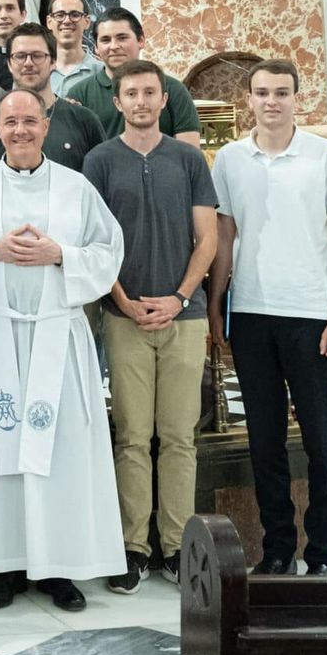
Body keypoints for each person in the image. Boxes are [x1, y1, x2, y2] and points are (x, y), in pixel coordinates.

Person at [0, 89, 125, 613]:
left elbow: (108, 251)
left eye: (30, 121)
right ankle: (3, 566)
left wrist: (60, 255)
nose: (21, 130)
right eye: (11, 123)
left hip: (57, 335)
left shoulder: (76, 189)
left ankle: (60, 569)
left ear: (46, 126)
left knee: (60, 455)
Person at [209, 59, 327, 578]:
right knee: (264, 440)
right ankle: (277, 549)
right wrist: (216, 308)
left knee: (322, 441)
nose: (271, 101)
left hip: (311, 316)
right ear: (247, 100)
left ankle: (322, 554)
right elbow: (224, 238)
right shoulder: (229, 158)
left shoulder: (325, 155)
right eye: (262, 93)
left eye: (281, 92)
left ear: (298, 98)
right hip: (251, 314)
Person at [82, 60, 218, 593]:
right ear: (117, 102)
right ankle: (133, 547)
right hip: (124, 315)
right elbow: (93, 240)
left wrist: (181, 295)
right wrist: (125, 299)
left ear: (165, 100)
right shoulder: (100, 160)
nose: (140, 101)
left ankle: (178, 546)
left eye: (150, 93)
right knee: (133, 437)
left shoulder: (188, 159)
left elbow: (206, 238)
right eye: (131, 93)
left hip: (183, 317)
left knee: (180, 437)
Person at [0, 24, 106, 173]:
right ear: (9, 64)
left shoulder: (84, 121)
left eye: (37, 56)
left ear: (53, 61)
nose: (28, 63)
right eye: (20, 56)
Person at [66, 7, 200, 145]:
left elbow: (190, 155)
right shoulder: (80, 94)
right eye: (106, 40)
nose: (114, 46)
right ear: (96, 47)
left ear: (140, 40)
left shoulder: (172, 89)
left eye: (122, 38)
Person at [47, 0, 103, 96]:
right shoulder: (37, 71)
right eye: (60, 15)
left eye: (75, 15)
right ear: (49, 22)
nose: (67, 21)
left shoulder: (101, 72)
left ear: (87, 21)